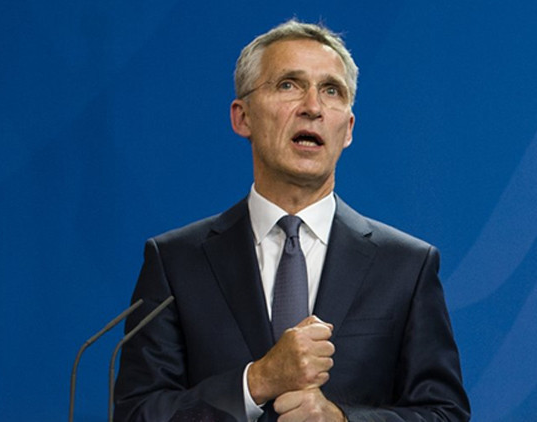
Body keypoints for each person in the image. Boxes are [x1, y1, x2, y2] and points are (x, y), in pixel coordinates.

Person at [113, 19, 470, 422]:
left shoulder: (406, 265)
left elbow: (445, 414)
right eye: (288, 85)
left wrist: (342, 420)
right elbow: (135, 413)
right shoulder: (176, 261)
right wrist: (257, 382)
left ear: (348, 129)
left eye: (331, 90)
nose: (313, 107)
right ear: (242, 117)